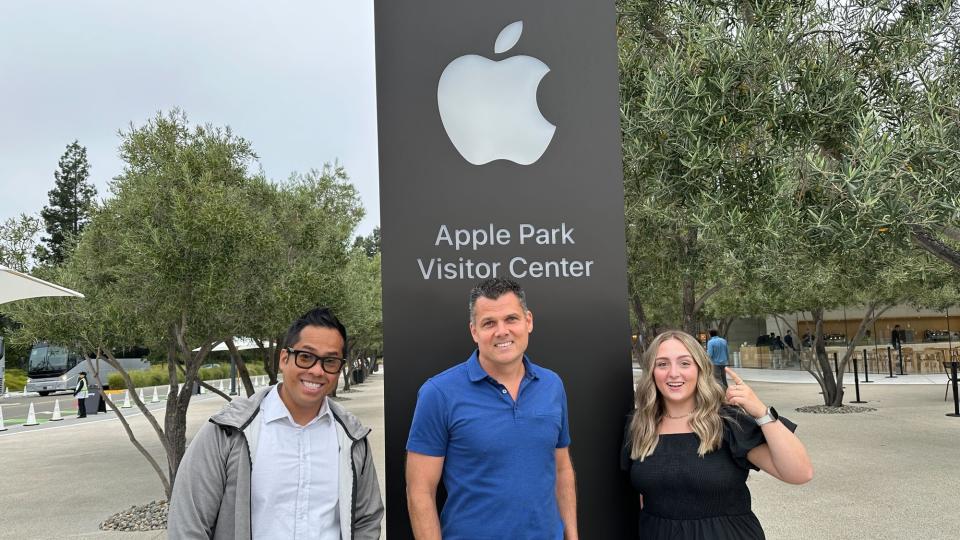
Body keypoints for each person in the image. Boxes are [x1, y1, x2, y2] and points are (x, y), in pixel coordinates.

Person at [168, 307, 383, 539]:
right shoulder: (227, 432)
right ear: (284, 359)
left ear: (339, 369)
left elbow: (367, 521)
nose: (317, 370)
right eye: (306, 357)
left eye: (329, 361)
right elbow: (188, 525)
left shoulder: (352, 438)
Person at [406, 278, 578, 539]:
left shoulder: (552, 385)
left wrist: (572, 535)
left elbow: (562, 469)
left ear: (528, 321)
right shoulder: (438, 393)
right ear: (474, 331)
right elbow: (419, 491)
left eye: (511, 319)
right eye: (489, 323)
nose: (502, 331)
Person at [621, 331, 812, 539]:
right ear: (651, 371)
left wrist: (761, 412)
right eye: (662, 364)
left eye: (685, 363)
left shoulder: (727, 422)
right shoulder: (638, 426)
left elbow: (799, 473)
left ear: (700, 369)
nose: (673, 373)